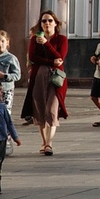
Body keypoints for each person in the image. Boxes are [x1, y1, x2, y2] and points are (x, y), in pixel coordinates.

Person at [28, 12, 69, 155]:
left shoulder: (62, 39)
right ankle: (44, 142)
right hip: (38, 76)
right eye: (44, 21)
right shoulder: (34, 39)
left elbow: (60, 57)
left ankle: (49, 143)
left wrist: (47, 44)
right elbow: (33, 57)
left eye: (50, 21)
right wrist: (51, 62)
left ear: (55, 23)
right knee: (39, 109)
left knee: (52, 108)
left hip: (56, 78)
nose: (47, 23)